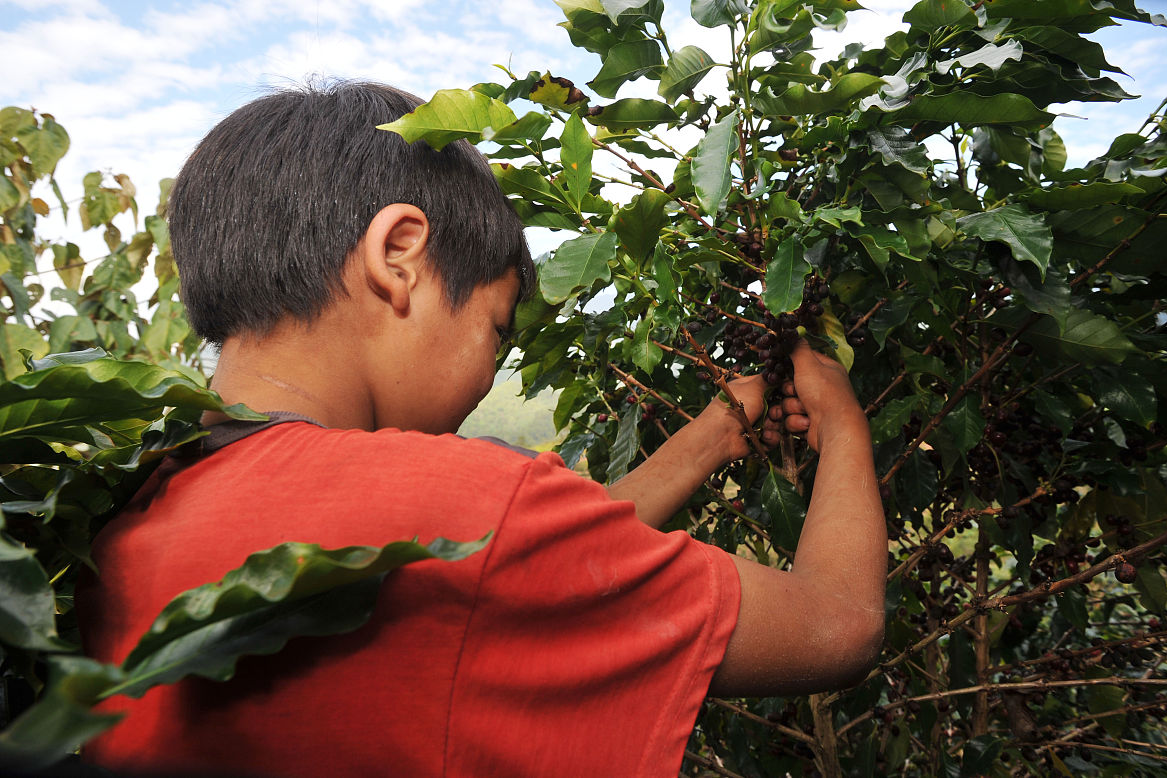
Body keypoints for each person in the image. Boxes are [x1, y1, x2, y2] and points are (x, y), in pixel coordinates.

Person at [76, 81, 885, 777]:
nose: (491, 365)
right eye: (497, 329)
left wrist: (712, 434)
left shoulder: (119, 521)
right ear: (399, 254)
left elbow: (517, 575)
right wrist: (843, 423)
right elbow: (837, 624)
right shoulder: (463, 510)